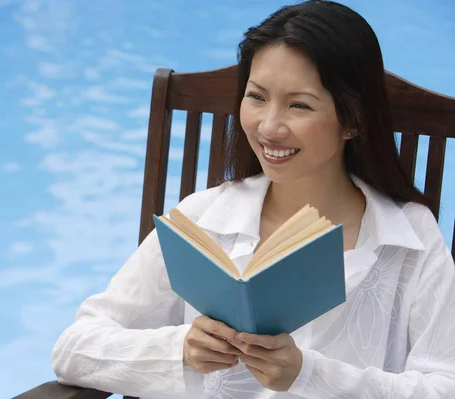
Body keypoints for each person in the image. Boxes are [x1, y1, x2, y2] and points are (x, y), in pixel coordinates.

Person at [51, 1, 455, 398]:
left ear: (352, 120)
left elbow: (445, 386)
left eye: (299, 105)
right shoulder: (202, 218)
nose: (269, 126)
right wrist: (182, 351)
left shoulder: (409, 240)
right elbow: (73, 349)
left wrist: (309, 374)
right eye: (257, 97)